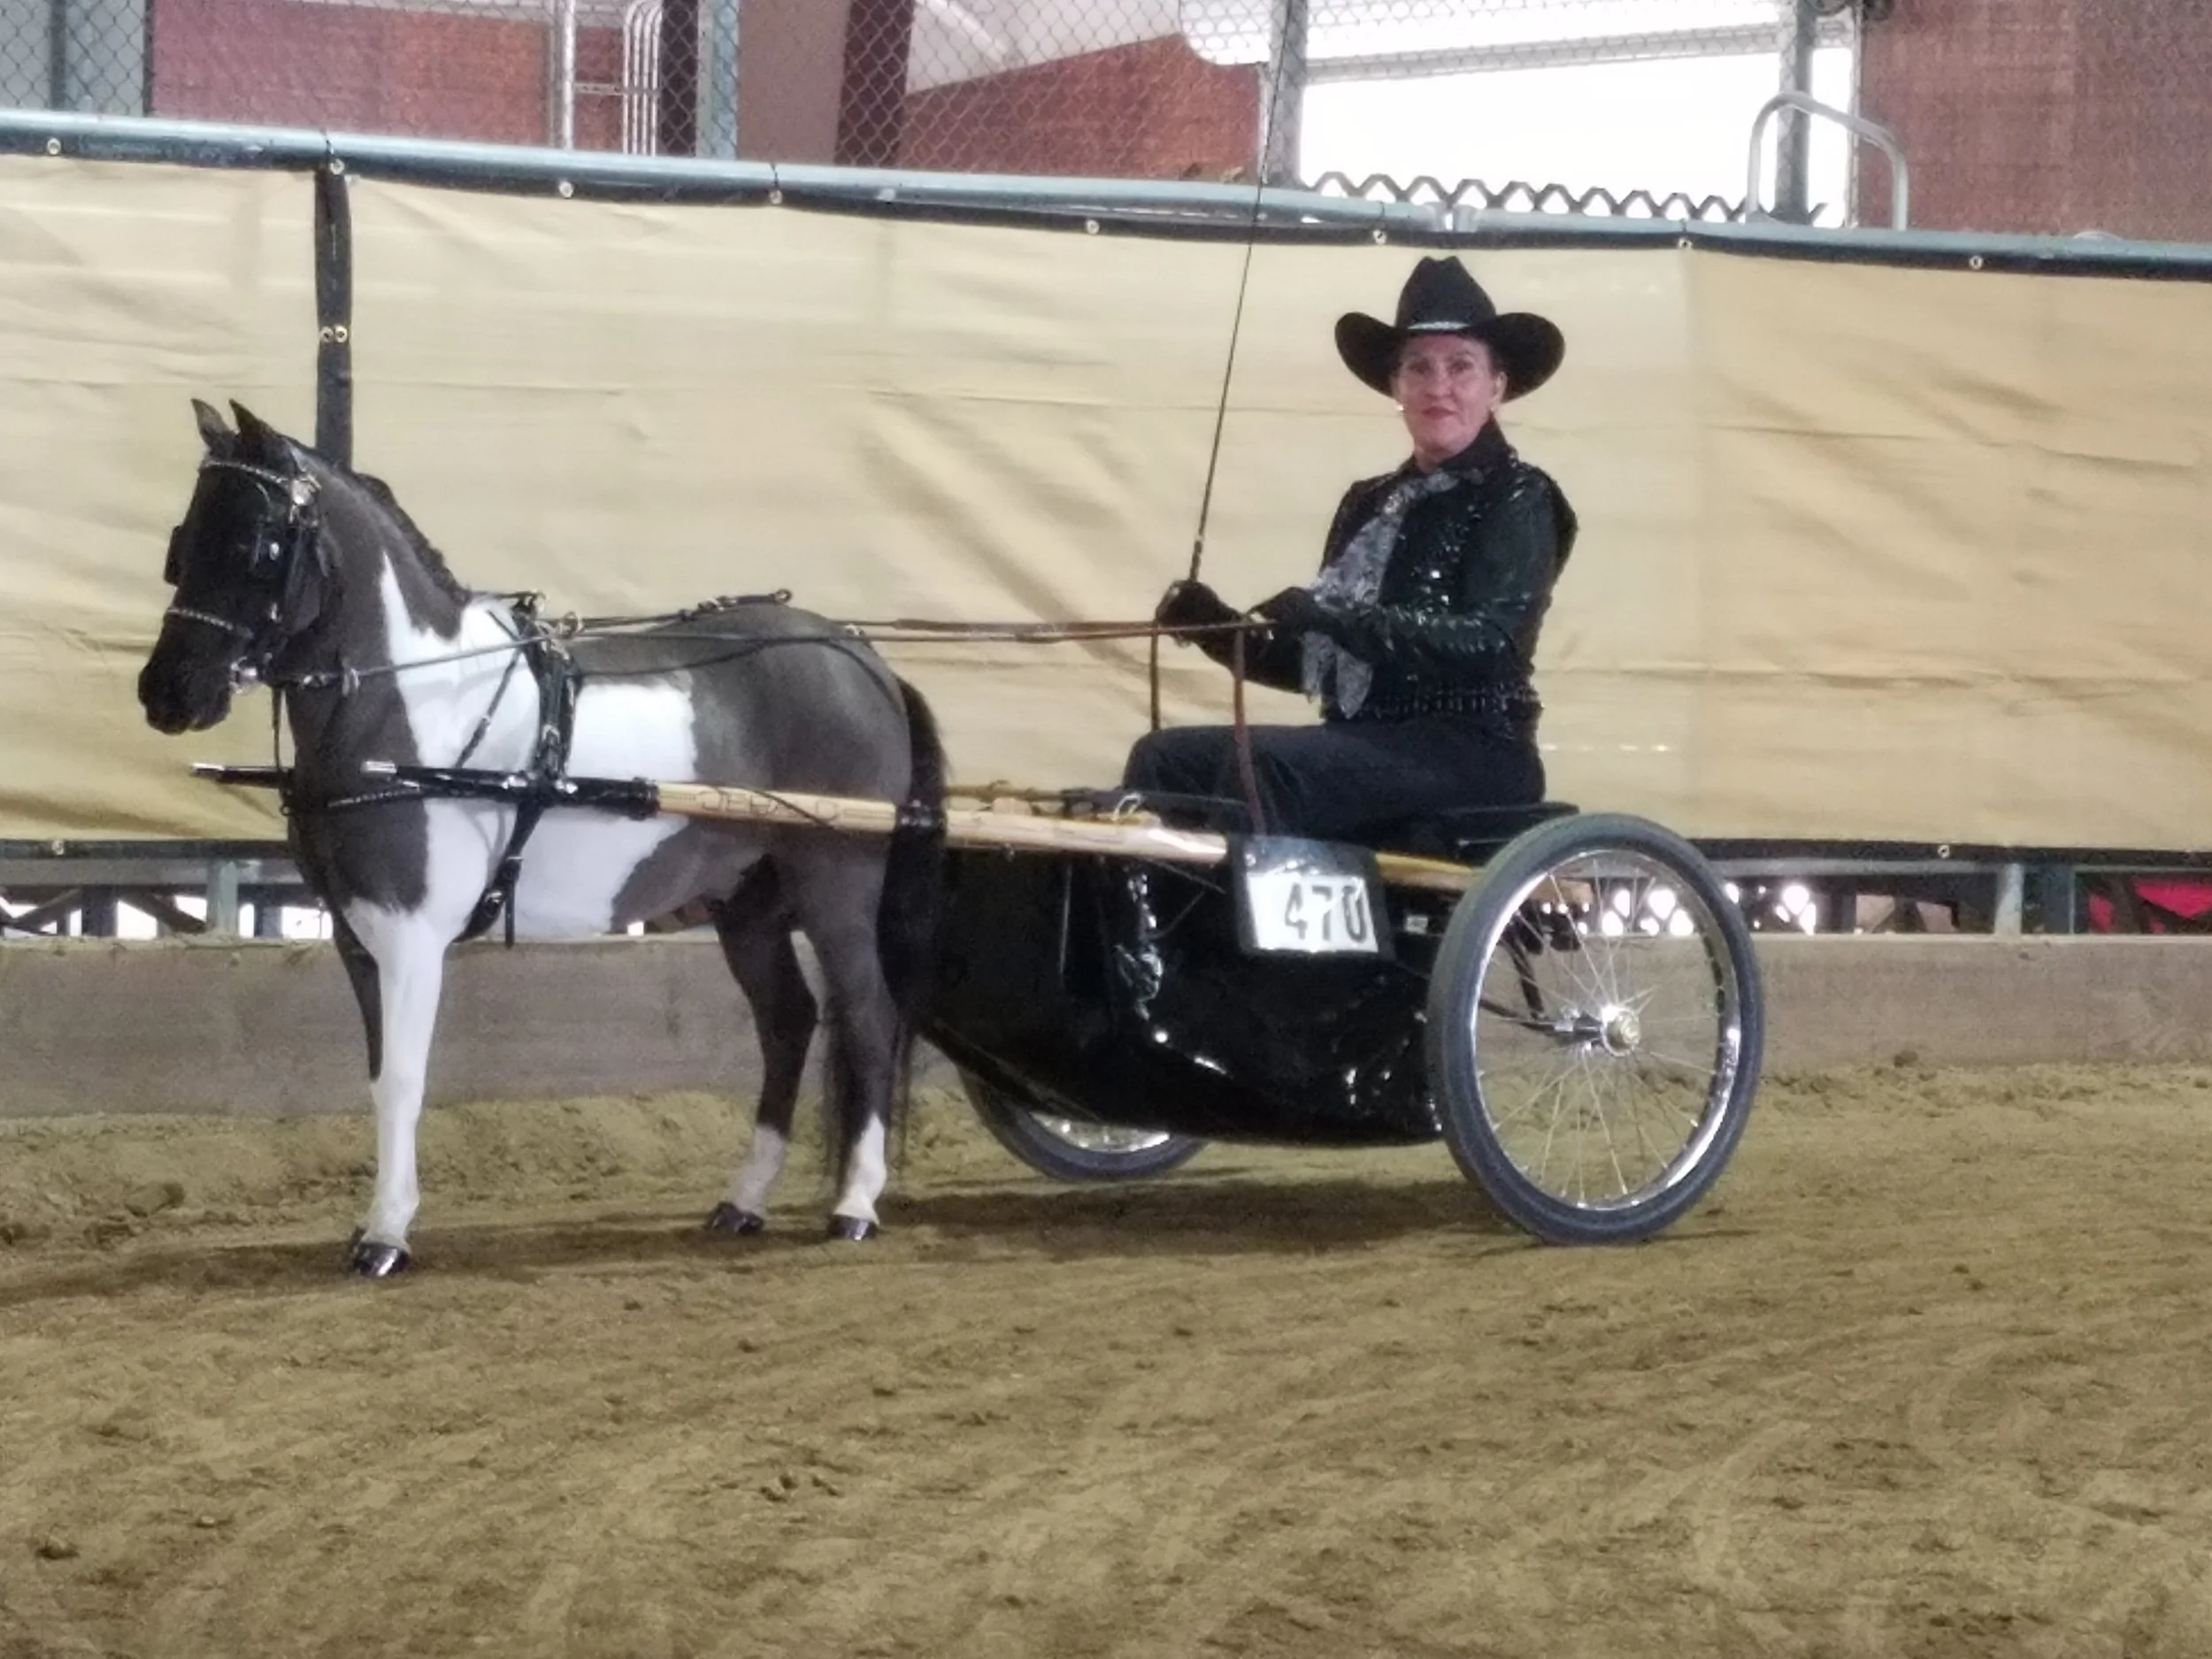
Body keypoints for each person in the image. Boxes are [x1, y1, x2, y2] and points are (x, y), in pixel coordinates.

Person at [1123, 254, 1577, 842]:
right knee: (1162, 756)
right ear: (1396, 385)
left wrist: (1338, 616)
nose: (1438, 387)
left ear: (1496, 385)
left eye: (1460, 367)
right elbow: (1321, 665)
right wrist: (1215, 626)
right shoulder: (1369, 502)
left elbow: (1492, 644)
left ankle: (1247, 931)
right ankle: (1156, 930)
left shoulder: (1519, 496)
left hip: (1470, 749)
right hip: (1363, 742)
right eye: (1418, 368)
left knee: (1259, 767)